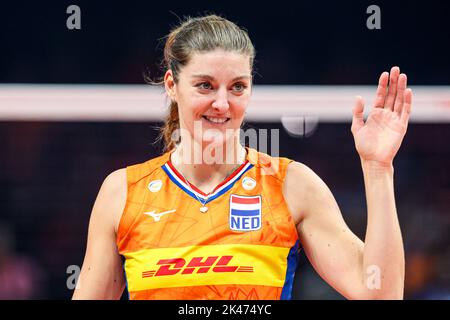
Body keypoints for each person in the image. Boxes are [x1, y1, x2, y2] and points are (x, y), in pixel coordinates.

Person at [72, 14, 412, 300]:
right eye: (205, 85)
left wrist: (378, 168)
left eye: (237, 86)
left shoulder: (292, 186)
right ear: (172, 86)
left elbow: (381, 294)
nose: (222, 103)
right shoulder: (124, 192)